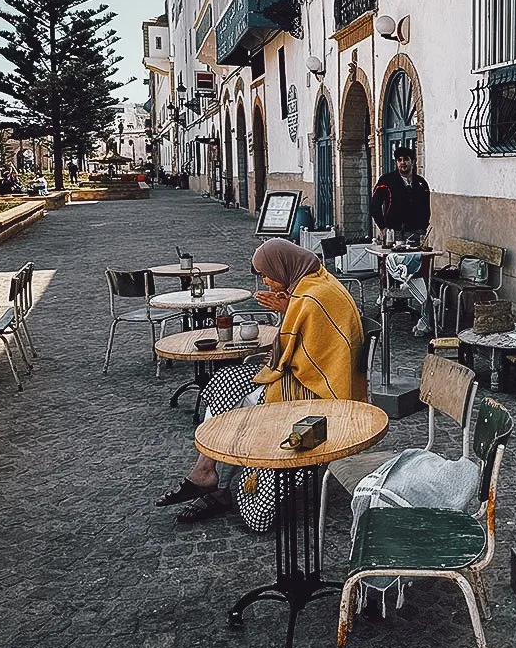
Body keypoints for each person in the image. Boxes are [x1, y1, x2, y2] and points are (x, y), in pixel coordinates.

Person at [155, 239, 365, 528]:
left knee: (241, 405)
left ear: (284, 266)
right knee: (223, 382)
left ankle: (217, 481)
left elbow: (291, 357)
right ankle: (207, 471)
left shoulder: (312, 297)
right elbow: (302, 344)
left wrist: (289, 311)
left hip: (320, 394)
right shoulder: (314, 282)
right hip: (307, 376)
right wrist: (289, 308)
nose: (265, 281)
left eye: (268, 274)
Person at [370, 146, 434, 336]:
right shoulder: (386, 181)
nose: (403, 163)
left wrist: (423, 228)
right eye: (399, 160)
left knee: (418, 269)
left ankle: (421, 307)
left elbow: (426, 208)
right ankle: (387, 299)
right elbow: (375, 206)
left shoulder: (421, 183)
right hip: (394, 234)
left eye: (406, 159)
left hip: (415, 234)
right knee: (389, 268)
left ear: (413, 161)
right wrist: (383, 227)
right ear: (396, 162)